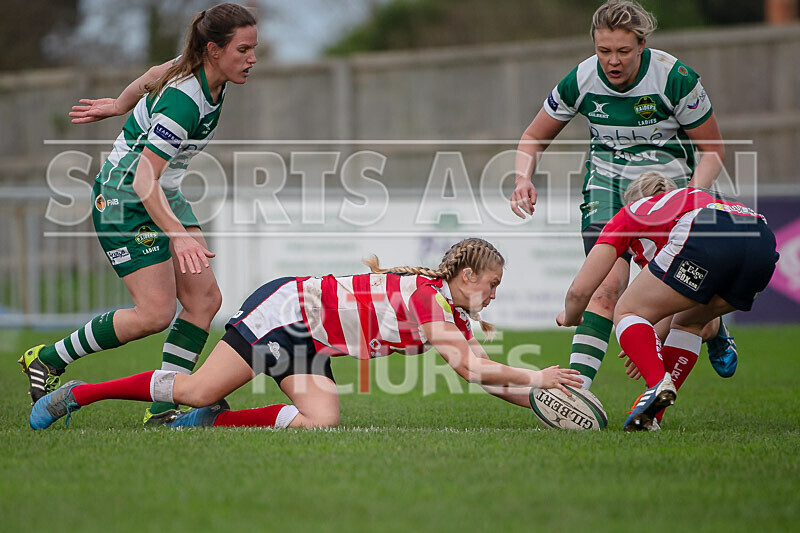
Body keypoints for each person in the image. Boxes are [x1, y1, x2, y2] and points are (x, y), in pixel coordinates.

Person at [29, 238, 582, 431]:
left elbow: (489, 380)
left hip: (312, 336)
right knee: (195, 386)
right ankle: (76, 395)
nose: (496, 293)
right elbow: (474, 369)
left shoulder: (450, 311)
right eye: (493, 283)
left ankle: (212, 423)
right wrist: (539, 375)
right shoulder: (426, 303)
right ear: (465, 278)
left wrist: (550, 402)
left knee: (321, 421)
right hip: (285, 312)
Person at [19, 3, 258, 425]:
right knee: (154, 313)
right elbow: (142, 180)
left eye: (253, 48)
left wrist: (118, 104)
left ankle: (164, 407)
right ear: (213, 50)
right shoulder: (185, 102)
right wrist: (180, 236)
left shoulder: (198, 68)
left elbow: (152, 74)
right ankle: (49, 357)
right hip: (124, 199)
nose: (252, 59)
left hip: (161, 192)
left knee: (204, 301)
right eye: (243, 49)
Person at [509, 0, 735, 391]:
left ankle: (711, 327)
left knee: (668, 308)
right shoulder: (581, 80)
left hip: (667, 195)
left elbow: (713, 151)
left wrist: (689, 199)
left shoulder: (675, 78)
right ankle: (575, 395)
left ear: (642, 44)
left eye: (623, 51)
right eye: (603, 51)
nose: (612, 61)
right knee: (607, 288)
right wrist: (521, 178)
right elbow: (532, 137)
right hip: (607, 191)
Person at [555, 177, 778, 431]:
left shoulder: (629, 215)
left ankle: (657, 383)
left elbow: (579, 292)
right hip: (763, 244)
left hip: (706, 235)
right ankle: (651, 418)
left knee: (627, 310)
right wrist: (646, 343)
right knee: (690, 321)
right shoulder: (693, 198)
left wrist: (572, 316)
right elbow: (668, 307)